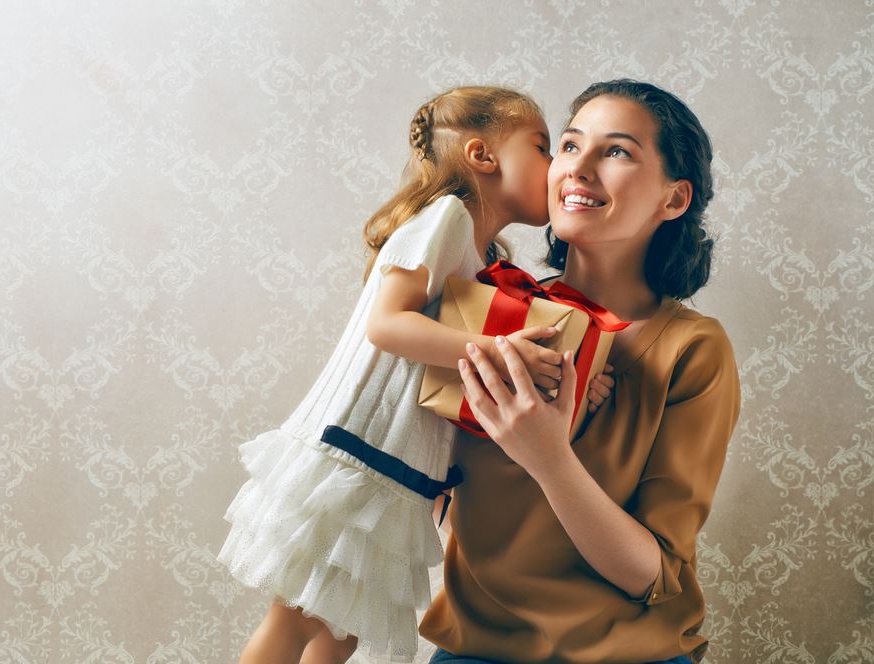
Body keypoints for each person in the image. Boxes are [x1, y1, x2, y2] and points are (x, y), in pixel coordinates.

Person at [217, 85, 617, 664]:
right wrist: (503, 348)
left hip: (396, 464)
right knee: (297, 620)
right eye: (543, 146)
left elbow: (457, 372)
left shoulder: (487, 259)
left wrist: (568, 379)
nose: (556, 165)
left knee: (338, 628)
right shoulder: (447, 218)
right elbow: (388, 325)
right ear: (483, 156)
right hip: (355, 449)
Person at [419, 79, 742, 664]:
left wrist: (547, 456)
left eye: (616, 151)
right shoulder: (486, 308)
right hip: (475, 648)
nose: (579, 167)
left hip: (628, 653)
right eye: (568, 146)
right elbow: (417, 470)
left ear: (674, 200)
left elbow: (655, 576)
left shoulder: (692, 350)